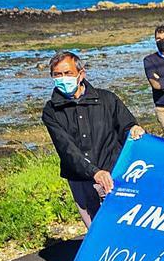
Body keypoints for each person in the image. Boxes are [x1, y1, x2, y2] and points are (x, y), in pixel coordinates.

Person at [41, 51, 145, 228]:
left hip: (114, 174)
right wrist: (94, 172)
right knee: (96, 230)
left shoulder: (106, 99)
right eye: (57, 74)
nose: (63, 78)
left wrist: (134, 129)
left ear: (81, 74)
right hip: (81, 180)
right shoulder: (51, 111)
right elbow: (67, 149)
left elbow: (127, 127)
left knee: (125, 225)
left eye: (68, 73)